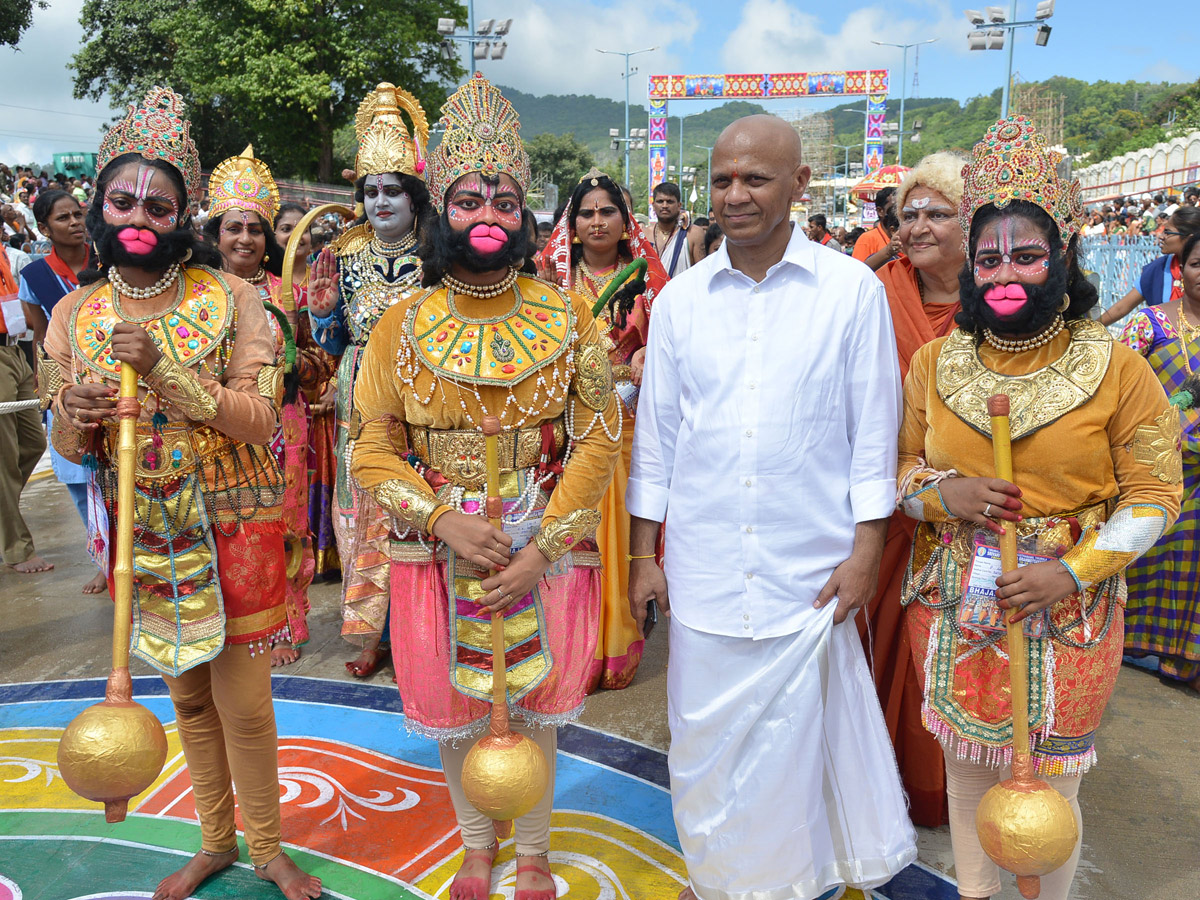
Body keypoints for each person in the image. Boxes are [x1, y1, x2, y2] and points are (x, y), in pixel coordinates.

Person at [41, 86, 321, 900]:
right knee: (189, 702)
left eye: (158, 203)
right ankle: (215, 841)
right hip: (148, 530)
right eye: (122, 198)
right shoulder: (73, 314)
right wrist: (75, 410)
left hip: (234, 521)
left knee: (243, 702)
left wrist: (164, 373)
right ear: (96, 207)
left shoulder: (234, 300)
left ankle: (266, 846)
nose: (139, 214)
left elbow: (260, 416)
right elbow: (68, 447)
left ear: (183, 214)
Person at [627, 113, 916, 900]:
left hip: (809, 574)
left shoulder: (851, 292)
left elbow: (872, 434)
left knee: (793, 754)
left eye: (755, 179)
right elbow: (657, 440)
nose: (735, 195)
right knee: (702, 748)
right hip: (705, 569)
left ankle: (781, 886)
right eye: (721, 179)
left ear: (799, 185)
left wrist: (864, 552)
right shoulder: (682, 301)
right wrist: (641, 557)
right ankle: (717, 878)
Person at [350, 73, 621, 900]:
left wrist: (544, 548)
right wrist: (441, 522)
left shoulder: (574, 316)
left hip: (545, 546)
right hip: (435, 553)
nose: (489, 217)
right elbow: (371, 448)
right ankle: (476, 846)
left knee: (536, 708)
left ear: (528, 214)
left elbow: (600, 437)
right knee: (453, 708)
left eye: (505, 200)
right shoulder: (400, 324)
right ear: (443, 210)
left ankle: (531, 851)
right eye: (469, 200)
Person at [898, 116, 1182, 900]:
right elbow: (895, 474)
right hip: (960, 598)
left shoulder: (1117, 367)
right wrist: (941, 495)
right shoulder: (934, 362)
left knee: (1053, 787)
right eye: (988, 258)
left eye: (1024, 255)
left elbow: (1157, 495)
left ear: (1061, 257)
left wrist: (1075, 571)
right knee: (967, 771)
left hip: (1072, 605)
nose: (1002, 275)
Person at [307, 82, 435, 678]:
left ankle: (421, 624)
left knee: (419, 509)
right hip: (360, 391)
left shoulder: (437, 255)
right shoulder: (347, 256)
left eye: (393, 191)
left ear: (414, 197)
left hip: (423, 392)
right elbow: (332, 345)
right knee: (360, 511)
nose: (381, 200)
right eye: (371, 191)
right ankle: (369, 634)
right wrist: (324, 311)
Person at [860, 150, 968, 828]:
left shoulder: (1001, 299)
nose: (918, 226)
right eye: (910, 214)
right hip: (879, 498)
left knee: (948, 652)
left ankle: (942, 787)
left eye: (937, 213)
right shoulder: (872, 288)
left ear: (971, 223)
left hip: (966, 512)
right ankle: (870, 780)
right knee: (873, 641)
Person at [536, 167, 668, 691]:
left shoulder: (650, 283)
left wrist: (644, 366)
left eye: (607, 211)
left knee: (621, 537)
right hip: (566, 429)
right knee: (571, 535)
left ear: (624, 218)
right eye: (586, 212)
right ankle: (572, 646)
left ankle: (616, 644)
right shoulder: (549, 283)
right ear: (571, 224)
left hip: (631, 426)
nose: (596, 221)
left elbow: (675, 349)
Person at [204, 146, 331, 668]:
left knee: (286, 524)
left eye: (256, 229)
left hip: (286, 425)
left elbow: (319, 366)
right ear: (215, 236)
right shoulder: (200, 297)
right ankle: (226, 618)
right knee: (228, 525)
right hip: (219, 430)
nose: (245, 239)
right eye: (234, 228)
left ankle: (286, 622)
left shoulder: (290, 293)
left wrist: (302, 361)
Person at [1119, 231, 1200, 690]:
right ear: (1180, 270)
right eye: (1196, 264)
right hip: (1153, 458)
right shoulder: (1150, 325)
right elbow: (1121, 390)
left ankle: (1184, 659)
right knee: (1155, 541)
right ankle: (1135, 640)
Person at [17, 188, 103, 592]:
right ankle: (104, 559)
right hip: (67, 381)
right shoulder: (34, 277)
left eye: (78, 214)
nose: (75, 223)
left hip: (109, 375)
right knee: (75, 475)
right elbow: (38, 337)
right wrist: (48, 392)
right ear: (43, 227)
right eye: (63, 218)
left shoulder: (108, 260)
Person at [275, 200, 339, 579]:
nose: (297, 236)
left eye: (303, 229)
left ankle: (330, 552)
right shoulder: (272, 284)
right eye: (287, 229)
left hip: (327, 382)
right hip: (290, 388)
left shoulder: (325, 275)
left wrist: (333, 381)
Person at [0, 224, 50, 575]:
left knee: (33, 443)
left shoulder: (4, 250)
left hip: (14, 351)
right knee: (3, 461)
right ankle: (17, 549)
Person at [1098, 207, 1200, 326]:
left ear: (1190, 238)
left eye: (1167, 232)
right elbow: (1121, 308)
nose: (1161, 237)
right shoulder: (1158, 268)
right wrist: (1090, 330)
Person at [650, 182, 702, 277]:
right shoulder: (644, 234)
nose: (664, 205)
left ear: (679, 205)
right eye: (660, 201)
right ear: (653, 205)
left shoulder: (693, 234)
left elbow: (702, 275)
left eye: (670, 201)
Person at [852, 185, 901, 270]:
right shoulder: (867, 239)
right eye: (894, 208)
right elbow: (858, 272)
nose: (899, 212)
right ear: (880, 211)